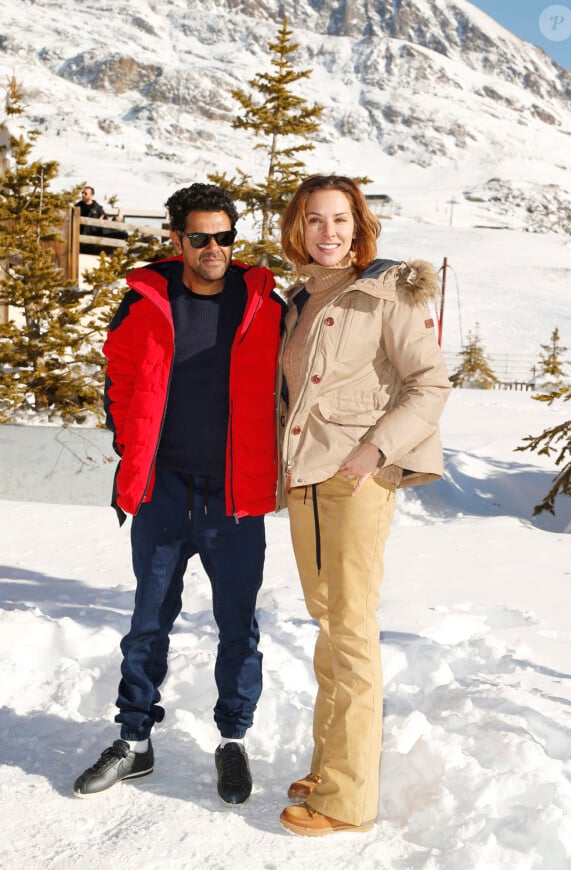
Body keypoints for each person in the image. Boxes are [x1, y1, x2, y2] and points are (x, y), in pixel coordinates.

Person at [73, 183, 284, 804]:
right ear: (177, 240)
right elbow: (118, 377)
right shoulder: (144, 304)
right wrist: (129, 443)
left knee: (238, 627)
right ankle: (134, 742)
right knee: (147, 623)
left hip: (234, 499)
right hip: (164, 494)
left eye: (224, 237)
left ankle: (232, 742)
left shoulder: (264, 305)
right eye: (200, 237)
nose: (214, 248)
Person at [276, 175, 451, 836]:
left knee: (350, 630)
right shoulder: (301, 297)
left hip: (353, 480)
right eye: (316, 220)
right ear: (300, 227)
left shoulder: (387, 293)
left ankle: (347, 801)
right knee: (331, 625)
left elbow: (429, 382)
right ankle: (331, 766)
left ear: (360, 226)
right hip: (304, 480)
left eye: (341, 220)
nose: (329, 233)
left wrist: (375, 452)